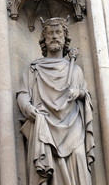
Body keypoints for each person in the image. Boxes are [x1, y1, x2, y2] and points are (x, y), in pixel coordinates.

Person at [16, 17, 95, 185]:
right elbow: (23, 94)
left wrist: (79, 93)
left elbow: (86, 96)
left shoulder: (75, 70)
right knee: (49, 166)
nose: (54, 36)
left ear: (65, 37)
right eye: (50, 33)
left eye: (58, 32)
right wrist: (28, 108)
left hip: (72, 126)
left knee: (79, 158)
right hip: (44, 124)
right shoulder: (34, 69)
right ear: (44, 38)